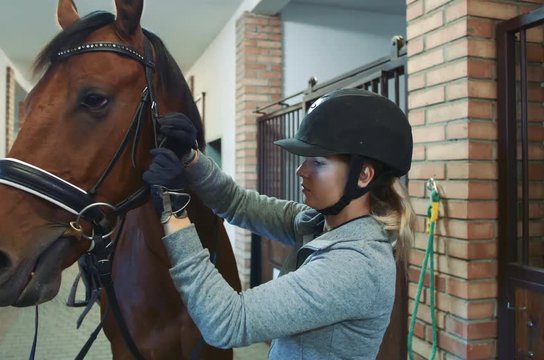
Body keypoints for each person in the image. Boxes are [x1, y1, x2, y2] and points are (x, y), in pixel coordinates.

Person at [142, 88, 414, 359]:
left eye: (318, 162)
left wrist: (174, 211)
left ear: (363, 175)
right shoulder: (319, 223)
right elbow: (237, 203)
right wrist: (191, 158)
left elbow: (227, 321)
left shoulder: (356, 264)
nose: (301, 171)